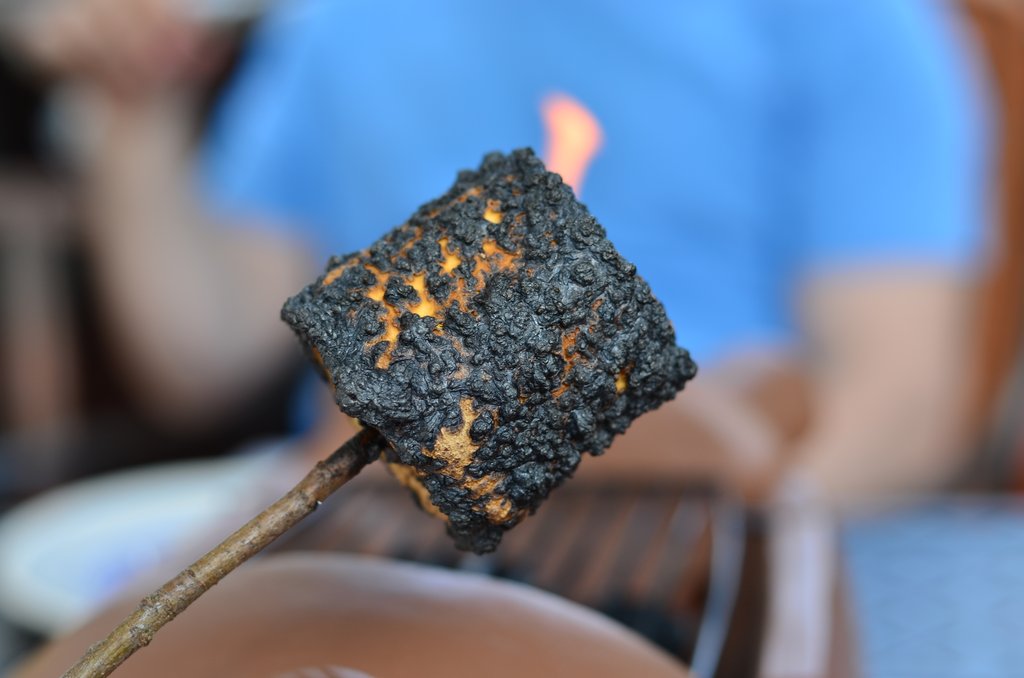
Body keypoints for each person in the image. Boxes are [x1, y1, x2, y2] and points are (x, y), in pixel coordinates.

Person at [12, 0, 989, 510]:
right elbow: (203, 358)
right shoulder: (334, 24)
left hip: (696, 517)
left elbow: (899, 398)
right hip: (369, 529)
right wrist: (131, 122)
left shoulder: (847, 16)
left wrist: (747, 553)